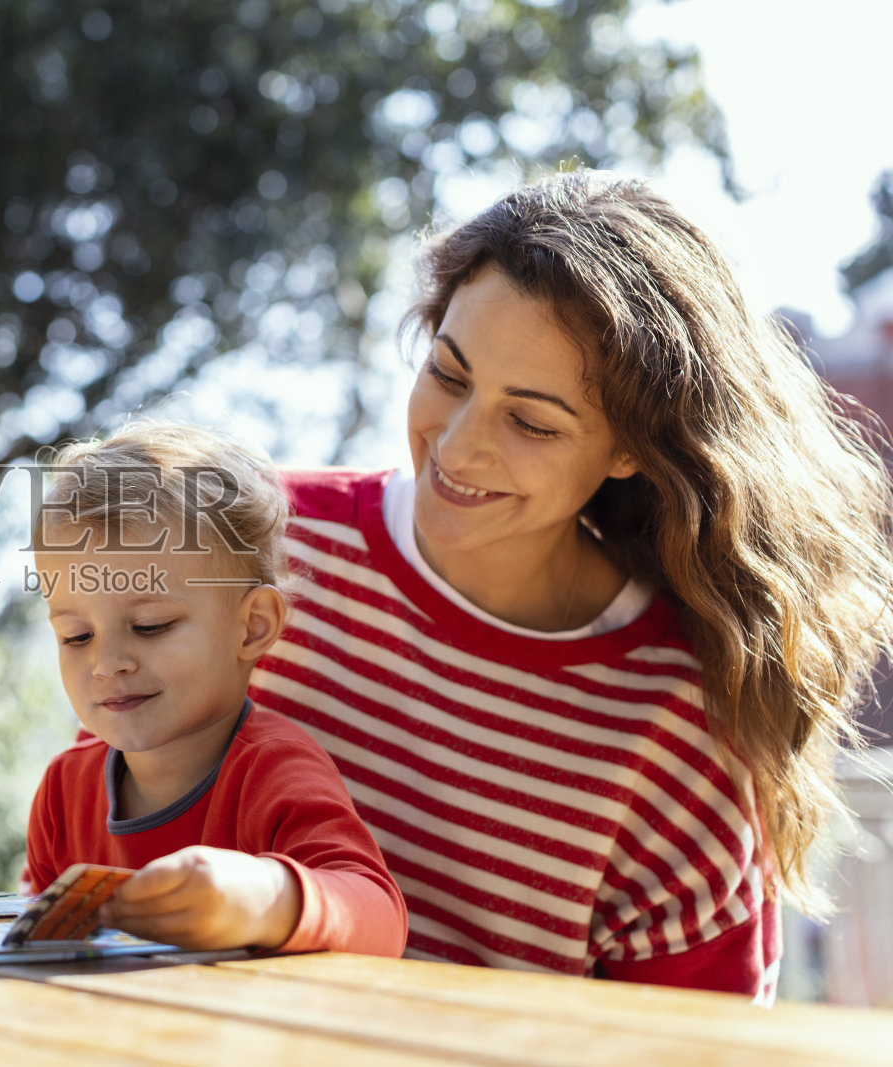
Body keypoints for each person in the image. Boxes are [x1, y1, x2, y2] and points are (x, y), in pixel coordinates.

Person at [248, 171, 893, 1003]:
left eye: (530, 420)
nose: (457, 444)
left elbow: (691, 1055)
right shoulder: (256, 548)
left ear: (631, 447)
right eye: (449, 372)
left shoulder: (679, 729)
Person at [22, 422, 408, 955]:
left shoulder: (274, 771)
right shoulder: (64, 791)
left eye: (151, 625)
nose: (107, 663)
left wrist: (266, 897)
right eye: (76, 635)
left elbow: (381, 915)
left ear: (252, 626)